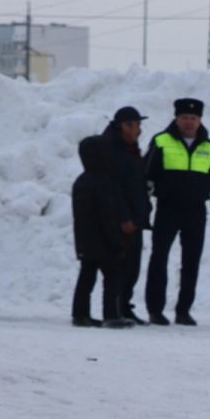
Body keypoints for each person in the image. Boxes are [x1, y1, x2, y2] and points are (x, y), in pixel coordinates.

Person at [142, 97, 210, 326]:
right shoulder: (161, 141)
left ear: (200, 120)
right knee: (159, 258)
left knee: (191, 261)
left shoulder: (209, 147)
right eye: (184, 118)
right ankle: (155, 309)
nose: (189, 122)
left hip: (195, 212)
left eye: (193, 118)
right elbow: (147, 177)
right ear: (176, 119)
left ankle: (183, 310)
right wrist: (143, 206)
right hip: (168, 209)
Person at [70, 135, 131, 328]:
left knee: (87, 277)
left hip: (86, 240)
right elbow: (107, 216)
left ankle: (80, 314)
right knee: (112, 278)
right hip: (104, 241)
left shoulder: (82, 181)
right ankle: (111, 315)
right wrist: (116, 242)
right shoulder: (103, 182)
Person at [100, 105, 151, 324]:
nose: (137, 129)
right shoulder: (113, 149)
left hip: (135, 217)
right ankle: (115, 308)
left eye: (138, 124)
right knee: (119, 266)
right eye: (132, 124)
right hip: (122, 220)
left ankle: (125, 306)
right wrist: (123, 218)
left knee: (133, 266)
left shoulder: (131, 149)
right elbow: (114, 188)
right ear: (121, 126)